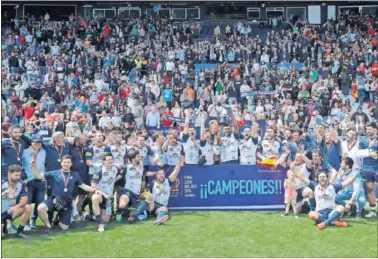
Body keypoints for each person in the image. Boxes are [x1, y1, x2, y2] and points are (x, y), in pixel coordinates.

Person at [31, 155, 97, 233]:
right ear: (61, 163)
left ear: (71, 164)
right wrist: (33, 167)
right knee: (40, 208)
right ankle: (48, 225)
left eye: (68, 162)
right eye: (64, 162)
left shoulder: (75, 174)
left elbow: (83, 186)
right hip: (54, 200)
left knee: (64, 228)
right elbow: (38, 176)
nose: (66, 164)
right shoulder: (55, 173)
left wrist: (95, 190)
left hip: (67, 203)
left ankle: (58, 218)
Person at [130, 156, 184, 225]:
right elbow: (143, 195)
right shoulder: (152, 183)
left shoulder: (168, 181)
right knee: (146, 201)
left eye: (163, 174)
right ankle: (134, 217)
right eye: (159, 174)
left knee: (165, 209)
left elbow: (175, 172)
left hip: (160, 207)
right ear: (156, 175)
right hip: (151, 205)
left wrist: (179, 162)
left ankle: (158, 220)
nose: (161, 175)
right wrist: (147, 197)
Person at [22, 135, 46, 229]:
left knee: (39, 201)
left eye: (39, 142)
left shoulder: (43, 151)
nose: (37, 144)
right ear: (31, 142)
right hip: (29, 180)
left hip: (41, 179)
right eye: (35, 142)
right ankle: (26, 222)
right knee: (27, 202)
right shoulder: (24, 152)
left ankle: (33, 220)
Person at [1, 165, 32, 238]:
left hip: (10, 211)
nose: (18, 177)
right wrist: (3, 194)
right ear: (9, 174)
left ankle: (20, 231)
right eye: (16, 175)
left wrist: (15, 207)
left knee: (27, 207)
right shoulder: (2, 182)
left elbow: (24, 201)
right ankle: (4, 226)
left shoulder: (22, 184)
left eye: (19, 175)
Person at [91, 153, 117, 232]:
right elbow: (93, 186)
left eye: (111, 159)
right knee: (94, 198)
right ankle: (100, 224)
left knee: (106, 220)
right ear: (103, 161)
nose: (110, 161)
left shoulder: (115, 169)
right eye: (108, 160)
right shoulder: (99, 170)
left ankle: (89, 216)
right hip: (101, 194)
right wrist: (104, 194)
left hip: (109, 196)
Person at [357, 122, 378, 218]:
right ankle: (373, 210)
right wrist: (370, 154)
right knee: (369, 189)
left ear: (375, 129)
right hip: (367, 167)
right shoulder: (363, 140)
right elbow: (359, 154)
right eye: (367, 129)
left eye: (369, 129)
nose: (367, 131)